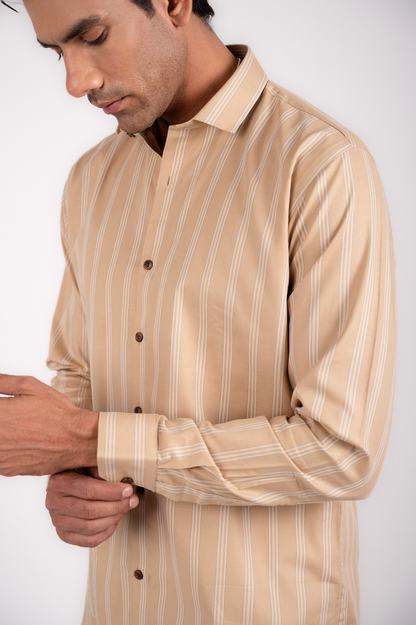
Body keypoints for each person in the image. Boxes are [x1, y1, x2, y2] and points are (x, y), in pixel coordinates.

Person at [0, 0, 396, 623]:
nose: (76, 82)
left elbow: (341, 450)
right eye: (57, 53)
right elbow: (78, 379)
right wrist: (74, 477)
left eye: (94, 37)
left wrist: (97, 439)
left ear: (175, 3)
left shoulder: (320, 165)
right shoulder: (90, 181)